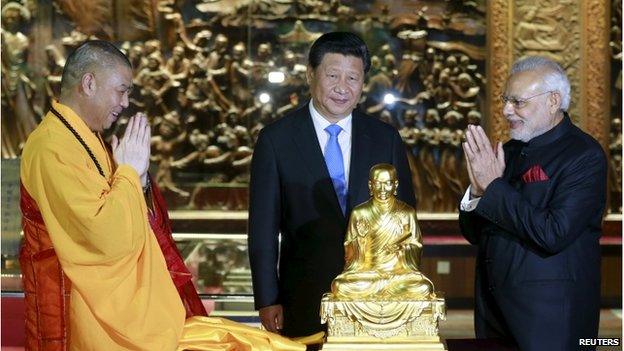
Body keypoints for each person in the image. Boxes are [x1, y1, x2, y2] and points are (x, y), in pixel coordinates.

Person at [19, 40, 303, 351]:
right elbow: (105, 239)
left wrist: (137, 180)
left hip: (124, 305)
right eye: (122, 90)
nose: (126, 102)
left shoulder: (86, 137)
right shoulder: (51, 147)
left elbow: (122, 211)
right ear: (89, 83)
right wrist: (128, 172)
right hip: (92, 311)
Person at [248, 32, 416, 344]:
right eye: (333, 75)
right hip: (303, 296)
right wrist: (267, 298)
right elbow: (263, 229)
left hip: (376, 297)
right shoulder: (276, 140)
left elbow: (404, 217)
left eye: (353, 77)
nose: (343, 87)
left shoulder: (385, 138)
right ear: (311, 74)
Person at [459, 56, 607, 350]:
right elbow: (475, 234)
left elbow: (553, 233)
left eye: (517, 102)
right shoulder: (510, 151)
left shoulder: (584, 155)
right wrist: (477, 194)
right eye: (505, 100)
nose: (505, 111)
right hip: (494, 311)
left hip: (550, 318)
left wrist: (493, 187)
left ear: (553, 100)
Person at [329, 163, 434, 301]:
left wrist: (403, 249)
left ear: (395, 185)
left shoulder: (406, 213)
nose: (383, 189)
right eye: (378, 184)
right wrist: (360, 239)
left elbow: (417, 246)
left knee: (423, 287)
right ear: (370, 185)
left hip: (398, 275)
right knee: (339, 286)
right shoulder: (360, 213)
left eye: (388, 183)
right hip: (367, 275)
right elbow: (349, 254)